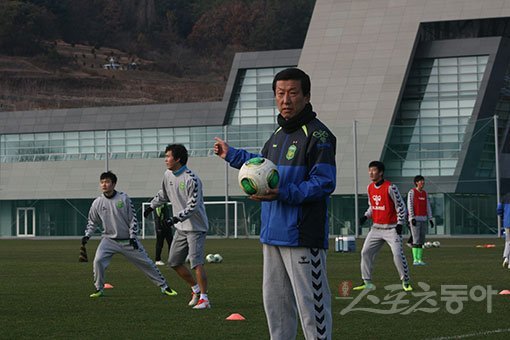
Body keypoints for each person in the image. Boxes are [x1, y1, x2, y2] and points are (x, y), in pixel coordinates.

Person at [214, 67, 336, 340]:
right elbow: (260, 167)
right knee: (276, 310)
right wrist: (231, 155)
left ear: (306, 96)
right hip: (272, 235)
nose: (286, 99)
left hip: (302, 236)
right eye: (280, 93)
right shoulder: (278, 135)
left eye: (293, 93)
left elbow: (324, 183)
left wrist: (283, 192)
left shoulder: (319, 136)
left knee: (312, 311)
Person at [82, 171, 177, 298]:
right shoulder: (97, 203)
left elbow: (133, 219)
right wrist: (88, 235)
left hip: (128, 240)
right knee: (98, 261)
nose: (104, 184)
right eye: (102, 182)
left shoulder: (123, 198)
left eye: (107, 182)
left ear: (114, 184)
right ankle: (99, 289)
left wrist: (133, 236)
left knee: (147, 263)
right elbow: (92, 222)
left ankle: (164, 287)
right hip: (108, 240)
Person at [144, 144, 211, 309]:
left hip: (196, 227)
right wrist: (151, 206)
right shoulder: (168, 175)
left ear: (178, 159)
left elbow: (192, 206)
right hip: (181, 228)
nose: (165, 160)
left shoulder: (192, 179)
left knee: (196, 263)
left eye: (168, 156)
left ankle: (204, 299)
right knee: (174, 262)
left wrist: (173, 219)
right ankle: (195, 289)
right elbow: (164, 195)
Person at [354, 161, 412, 292]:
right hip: (376, 228)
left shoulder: (391, 187)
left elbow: (401, 206)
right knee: (365, 252)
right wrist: (365, 216)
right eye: (370, 170)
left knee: (397, 254)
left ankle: (406, 281)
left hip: (391, 229)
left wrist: (400, 224)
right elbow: (372, 206)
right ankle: (366, 281)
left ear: (381, 172)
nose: (371, 173)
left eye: (374, 170)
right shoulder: (370, 188)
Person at [407, 175, 434, 265]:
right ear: (416, 183)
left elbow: (428, 206)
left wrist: (430, 218)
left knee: (422, 240)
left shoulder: (425, 193)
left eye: (423, 181)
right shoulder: (412, 192)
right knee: (416, 239)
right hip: (415, 219)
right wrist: (412, 217)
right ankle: (415, 259)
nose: (422, 183)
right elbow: (410, 205)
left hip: (423, 219)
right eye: (421, 181)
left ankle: (420, 259)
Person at [498, 192, 510, 268]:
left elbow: (499, 210)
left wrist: (503, 217)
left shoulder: (504, 197)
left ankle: (506, 257)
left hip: (507, 223)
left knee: (508, 241)